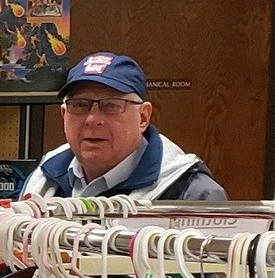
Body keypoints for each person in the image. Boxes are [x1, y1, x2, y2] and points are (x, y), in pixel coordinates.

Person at [23, 52, 227, 201]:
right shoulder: (43, 179)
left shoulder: (192, 194)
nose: (92, 119)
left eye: (111, 106)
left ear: (143, 118)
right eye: (80, 105)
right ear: (63, 114)